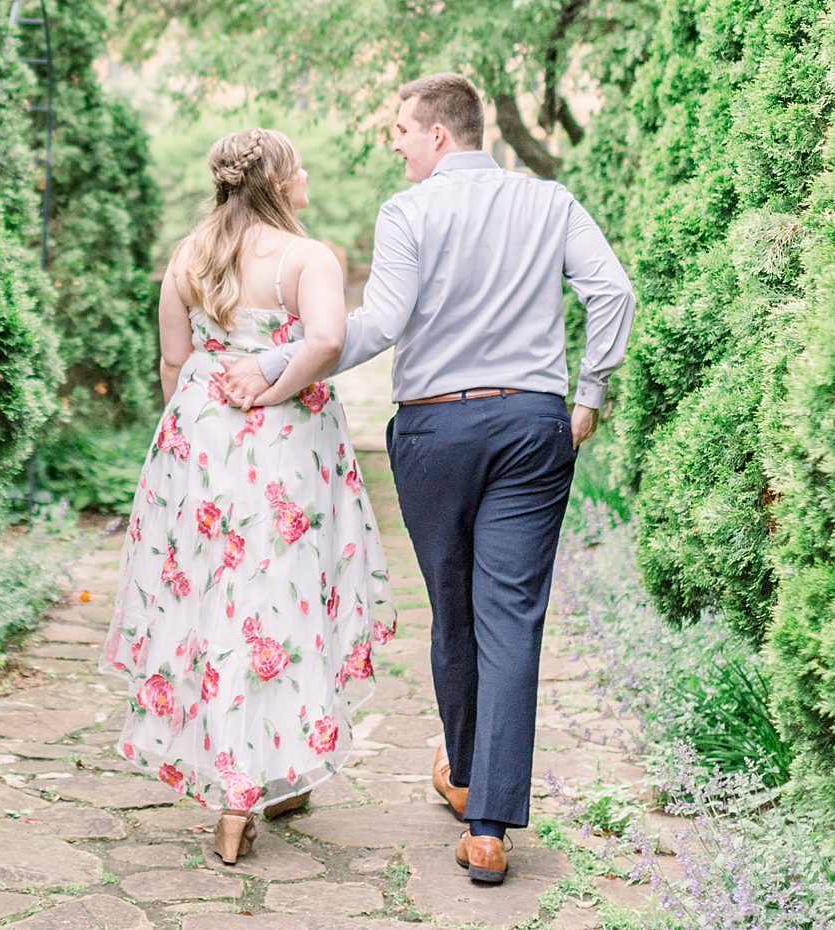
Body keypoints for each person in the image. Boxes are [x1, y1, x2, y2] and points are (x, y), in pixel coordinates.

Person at [217, 74, 635, 886]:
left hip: (438, 429)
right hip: (531, 424)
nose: (398, 144)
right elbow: (611, 290)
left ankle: (470, 773)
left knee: (453, 609)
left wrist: (271, 364)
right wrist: (589, 395)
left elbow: (377, 324)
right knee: (510, 614)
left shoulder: (407, 214)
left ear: (439, 134)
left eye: (404, 130)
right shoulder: (551, 201)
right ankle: (487, 827)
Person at [102, 129, 392, 867]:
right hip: (286, 441)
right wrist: (271, 389)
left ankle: (262, 779)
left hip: (200, 441)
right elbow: (326, 340)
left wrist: (196, 437)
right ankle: (250, 786)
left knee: (214, 599)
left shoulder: (188, 256)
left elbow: (174, 359)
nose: (307, 182)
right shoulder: (306, 257)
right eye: (300, 171)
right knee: (281, 599)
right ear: (279, 180)